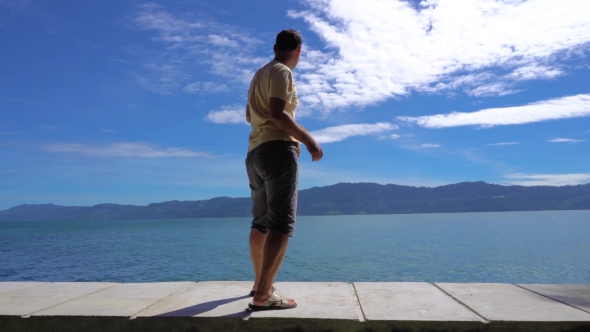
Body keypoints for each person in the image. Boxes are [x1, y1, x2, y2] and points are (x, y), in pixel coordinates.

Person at [245, 29, 323, 311]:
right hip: (277, 150)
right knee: (280, 223)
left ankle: (258, 283)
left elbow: (248, 116)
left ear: (275, 46)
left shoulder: (259, 75)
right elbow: (279, 114)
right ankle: (263, 295)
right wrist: (310, 142)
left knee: (261, 221)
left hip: (254, 152)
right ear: (299, 51)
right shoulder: (282, 72)